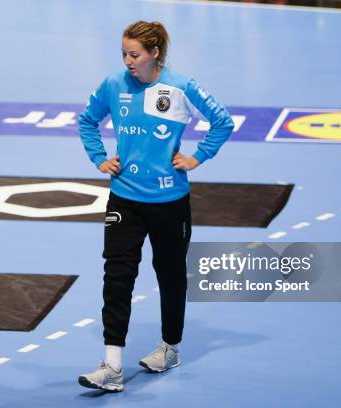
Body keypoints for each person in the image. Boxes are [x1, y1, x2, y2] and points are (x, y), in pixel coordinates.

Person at [77, 20, 234, 392]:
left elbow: (222, 122)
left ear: (155, 53)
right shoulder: (114, 85)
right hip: (125, 198)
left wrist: (198, 157)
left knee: (170, 275)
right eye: (124, 54)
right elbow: (87, 121)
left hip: (169, 202)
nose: (128, 61)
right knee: (117, 277)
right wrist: (100, 157)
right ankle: (112, 365)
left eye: (135, 54)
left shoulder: (181, 87)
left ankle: (170, 347)